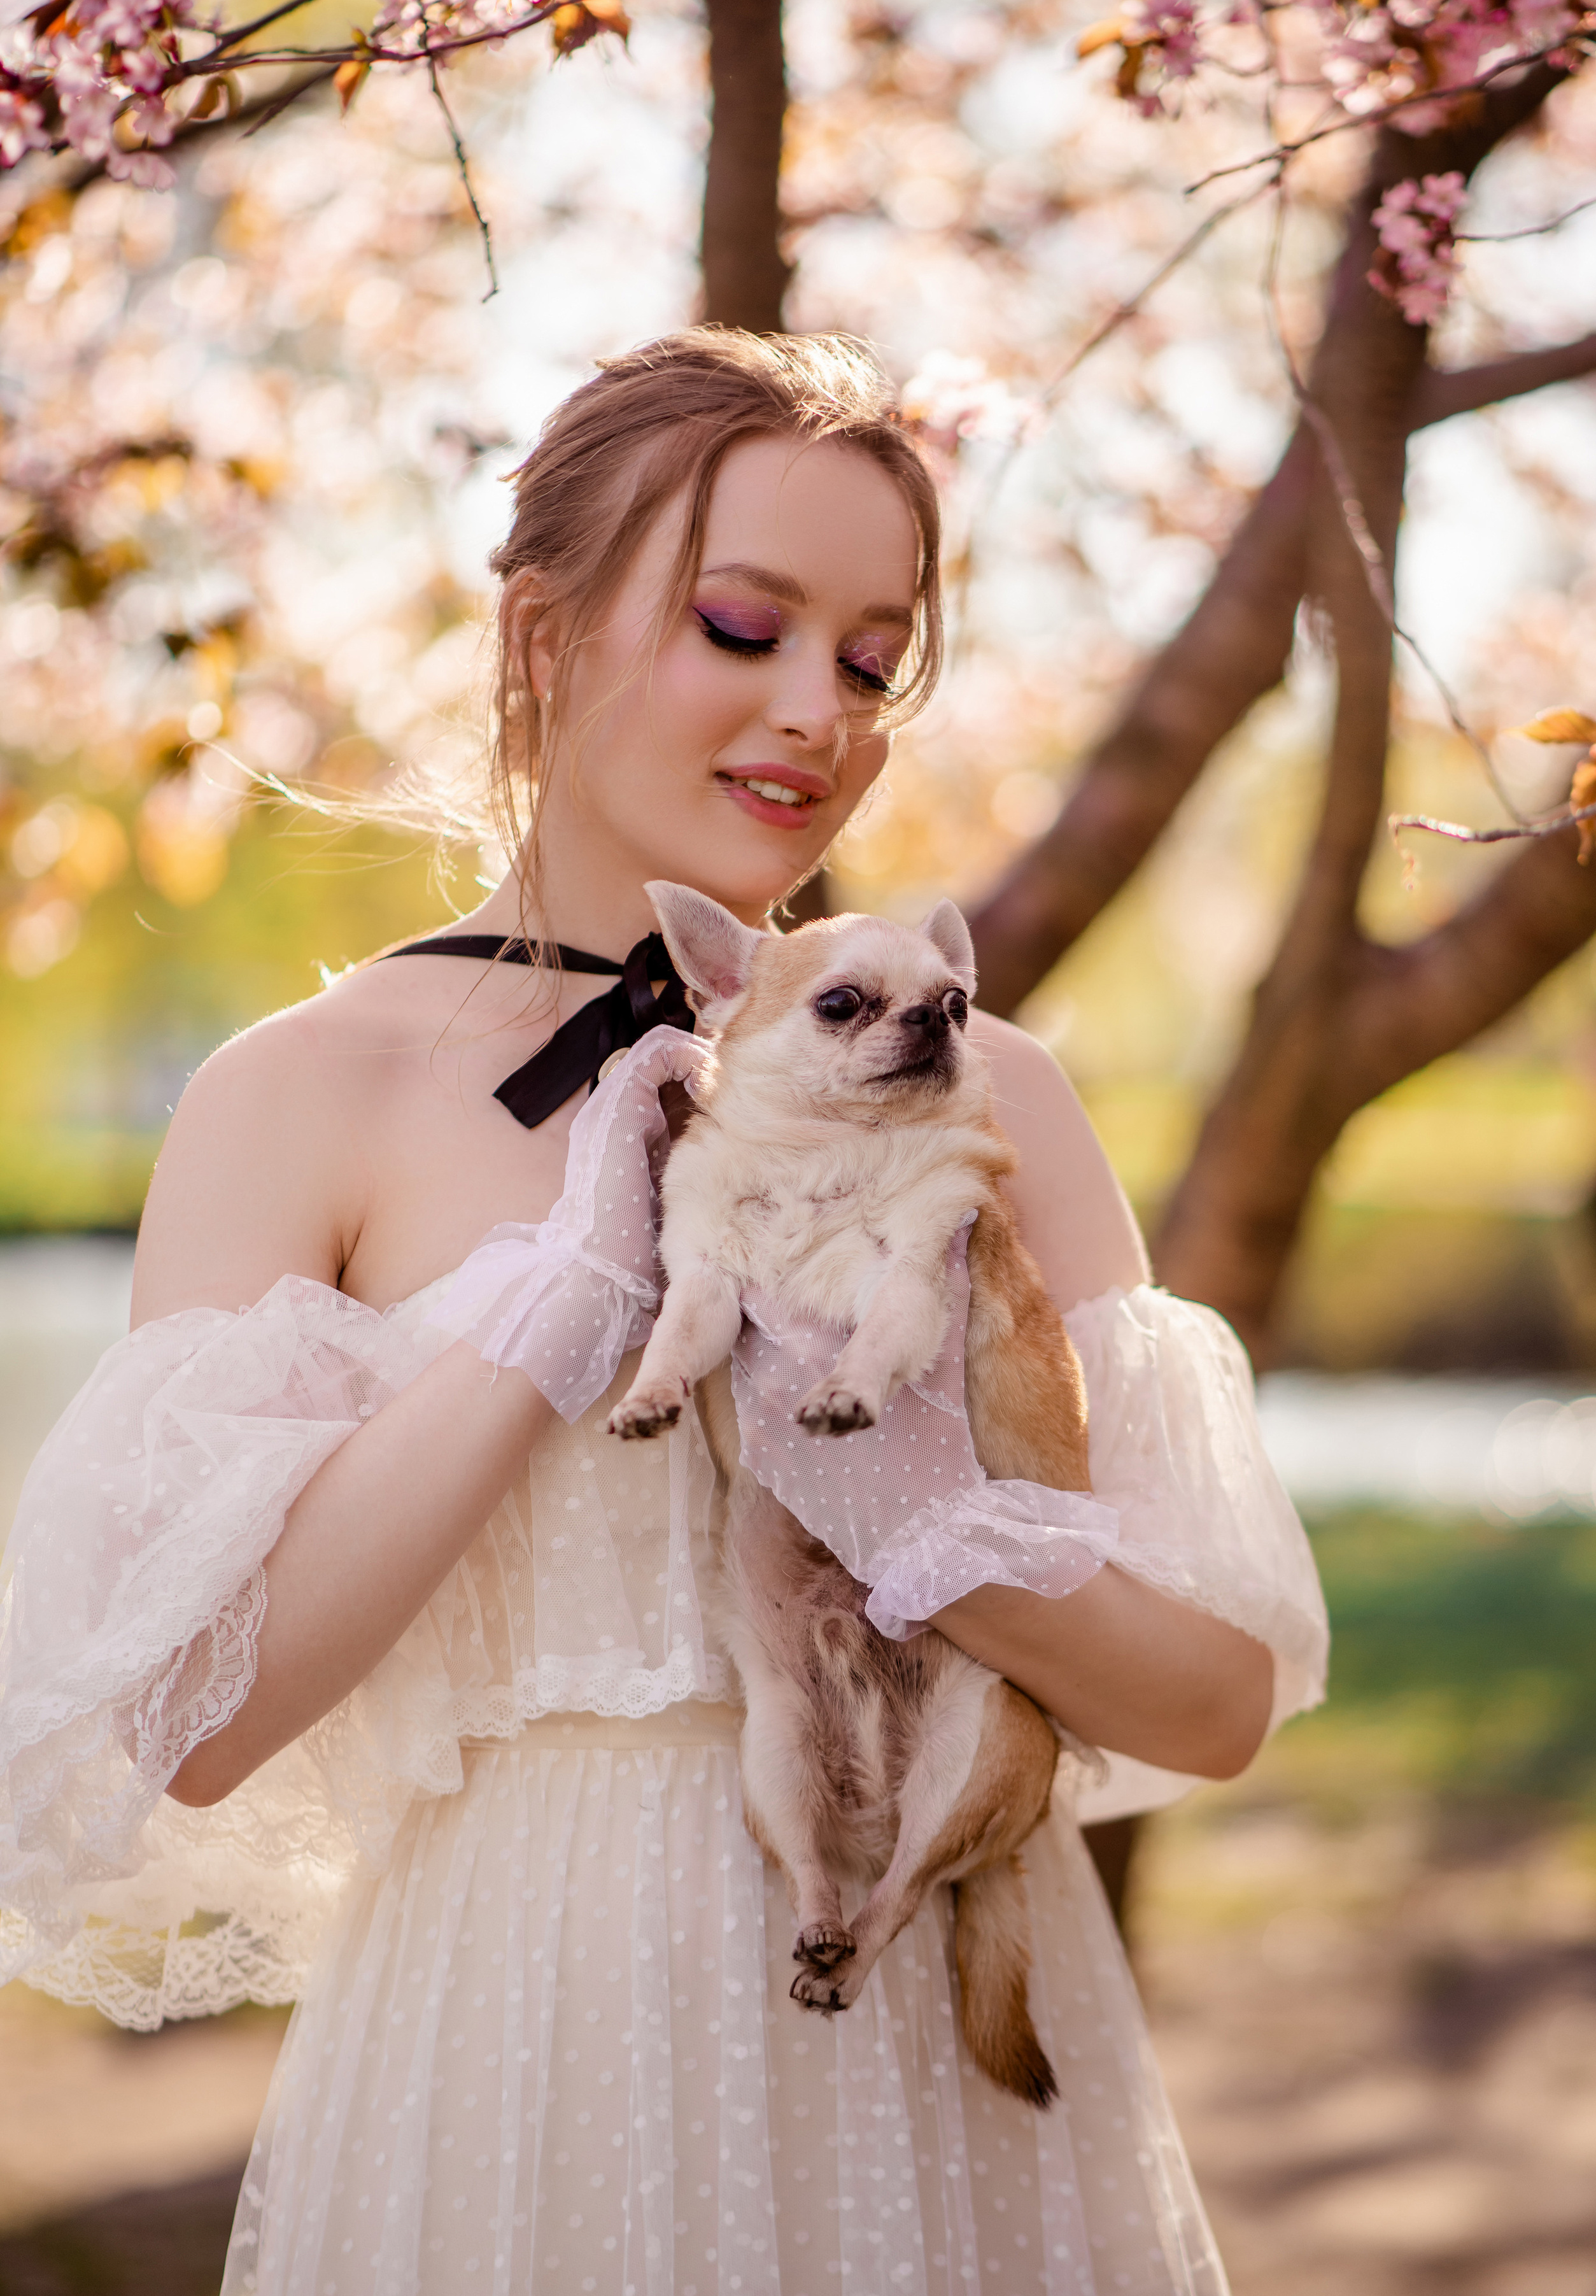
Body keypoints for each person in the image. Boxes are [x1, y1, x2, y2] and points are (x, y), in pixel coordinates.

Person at [0, 329, 1328, 2296]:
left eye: (875, 659)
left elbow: (1211, 1705)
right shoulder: (305, 1090)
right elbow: (199, 1717)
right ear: (541, 636)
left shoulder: (992, 1091)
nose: (823, 712)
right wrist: (564, 1307)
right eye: (742, 623)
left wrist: (923, 1519)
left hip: (928, 2077)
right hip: (522, 2046)